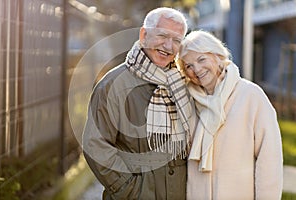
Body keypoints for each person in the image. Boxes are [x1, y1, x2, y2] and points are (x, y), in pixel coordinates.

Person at [83, 7, 194, 199]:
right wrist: (130, 189)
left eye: (176, 40)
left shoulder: (184, 83)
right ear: (144, 35)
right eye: (162, 35)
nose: (169, 46)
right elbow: (96, 146)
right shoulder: (113, 85)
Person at [177, 30, 283, 200]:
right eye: (188, 66)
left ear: (218, 56)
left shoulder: (251, 95)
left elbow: (269, 160)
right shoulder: (187, 102)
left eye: (201, 59)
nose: (196, 69)